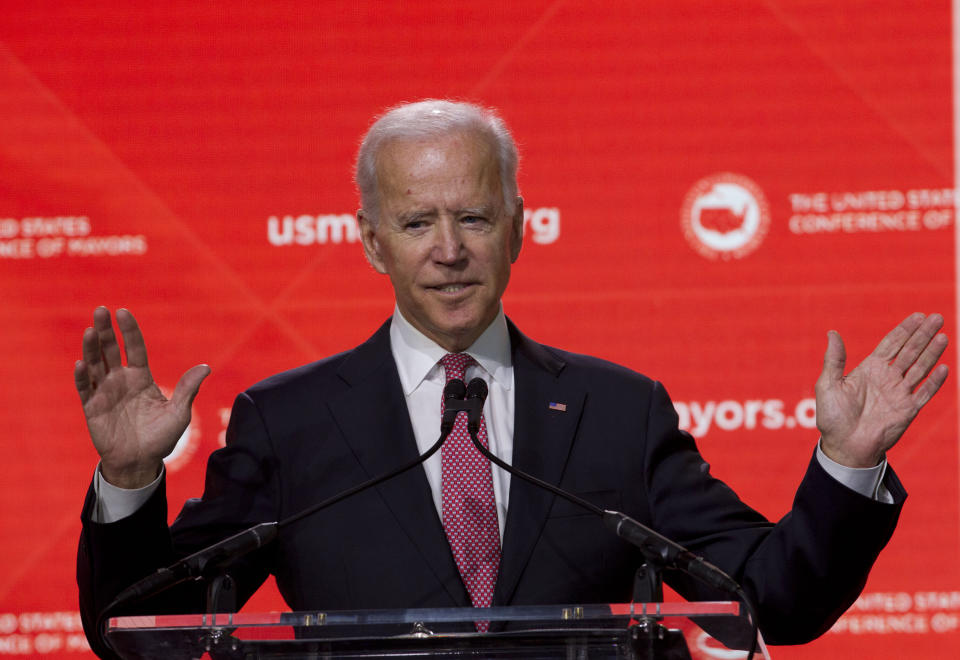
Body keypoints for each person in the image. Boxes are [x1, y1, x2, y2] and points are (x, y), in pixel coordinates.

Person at [76, 100, 949, 655]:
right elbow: (133, 625)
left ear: (520, 229)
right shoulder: (289, 421)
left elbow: (775, 600)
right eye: (417, 222)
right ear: (373, 241)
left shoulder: (617, 411)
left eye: (475, 217)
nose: (449, 250)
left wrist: (845, 462)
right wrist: (126, 481)